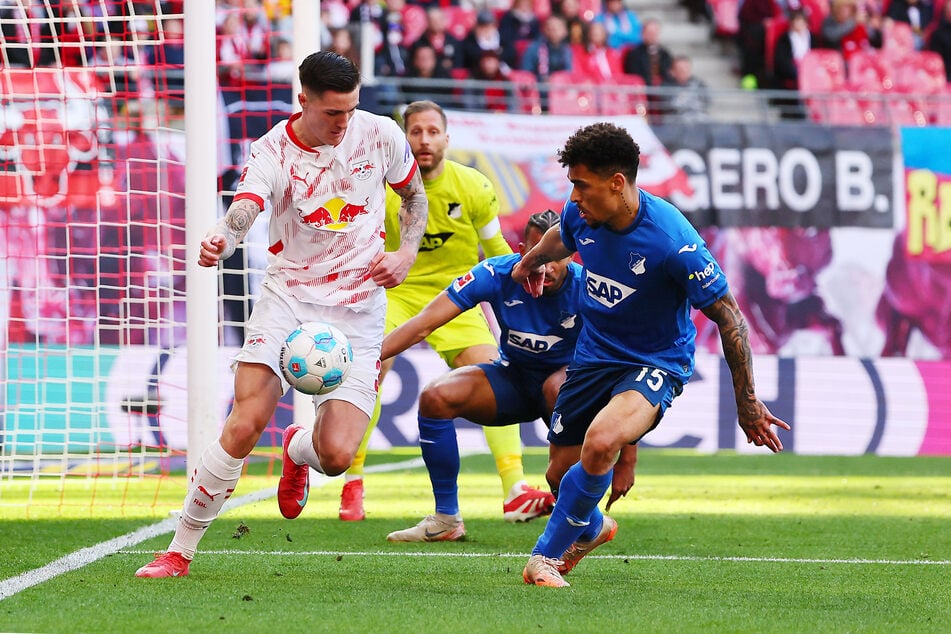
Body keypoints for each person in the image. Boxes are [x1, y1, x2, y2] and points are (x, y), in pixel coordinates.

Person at [134, 51, 429, 578]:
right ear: (304, 101)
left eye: (351, 110)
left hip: (359, 312)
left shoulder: (381, 133)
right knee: (245, 422)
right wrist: (226, 236)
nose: (344, 124)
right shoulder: (272, 148)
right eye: (333, 113)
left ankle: (298, 448)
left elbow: (413, 196)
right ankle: (179, 550)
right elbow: (247, 201)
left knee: (337, 456)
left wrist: (406, 251)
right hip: (289, 298)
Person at [512, 123, 791, 588]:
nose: (574, 196)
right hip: (594, 356)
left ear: (617, 183)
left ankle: (545, 557)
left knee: (601, 443)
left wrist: (747, 401)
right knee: (561, 476)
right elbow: (564, 235)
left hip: (655, 362)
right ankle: (591, 528)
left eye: (582, 185)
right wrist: (530, 261)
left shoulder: (672, 242)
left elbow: (730, 317)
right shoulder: (583, 212)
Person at [338, 101, 555, 523]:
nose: (424, 140)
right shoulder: (380, 191)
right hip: (395, 295)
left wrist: (525, 288)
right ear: (404, 138)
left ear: (446, 138)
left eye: (432, 131)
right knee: (370, 370)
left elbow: (496, 253)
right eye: (415, 132)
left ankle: (515, 489)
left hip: (458, 298)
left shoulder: (472, 187)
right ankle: (353, 482)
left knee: (495, 372)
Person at [381, 210, 630, 541]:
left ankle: (590, 522)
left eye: (555, 256)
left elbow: (624, 370)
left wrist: (628, 458)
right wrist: (371, 358)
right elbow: (426, 321)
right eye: (536, 253)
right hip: (513, 379)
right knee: (435, 397)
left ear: (570, 253)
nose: (546, 265)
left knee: (558, 393)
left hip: (567, 392)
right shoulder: (495, 274)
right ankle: (446, 520)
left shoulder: (590, 290)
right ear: (520, 250)